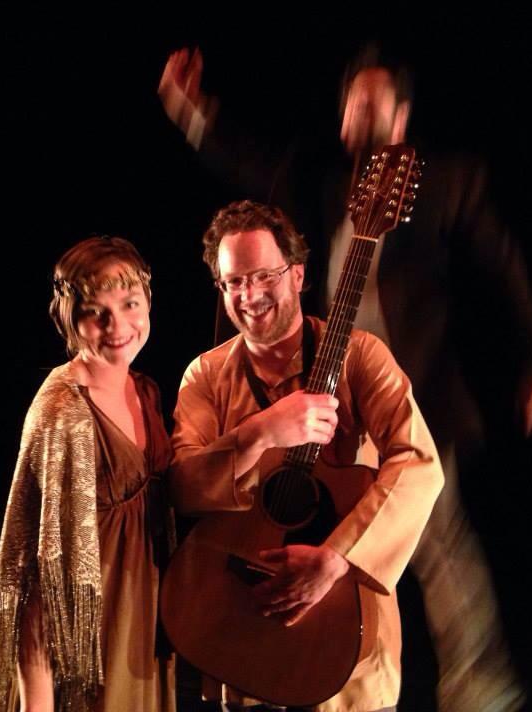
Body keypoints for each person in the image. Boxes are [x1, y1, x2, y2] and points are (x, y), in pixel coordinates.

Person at [159, 44, 532, 711]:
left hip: (403, 386)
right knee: (284, 518)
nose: (359, 114)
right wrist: (193, 113)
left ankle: (471, 686)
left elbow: (502, 262)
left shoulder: (447, 180)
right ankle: (273, 659)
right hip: (318, 378)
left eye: (373, 103)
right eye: (352, 102)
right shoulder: (318, 177)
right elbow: (250, 166)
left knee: (434, 541)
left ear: (401, 115)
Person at [169, 200, 444, 711]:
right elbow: (184, 487)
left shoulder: (360, 356)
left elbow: (419, 463)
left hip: (345, 647)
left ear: (297, 275)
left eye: (264, 275)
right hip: (241, 630)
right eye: (234, 282)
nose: (249, 295)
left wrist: (335, 559)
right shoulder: (204, 376)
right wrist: (261, 432)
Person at [0, 236, 175, 712]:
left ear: (148, 301)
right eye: (95, 312)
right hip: (88, 654)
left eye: (130, 304)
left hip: (141, 627)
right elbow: (37, 579)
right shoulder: (64, 411)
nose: (118, 325)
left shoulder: (146, 391)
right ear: (69, 319)